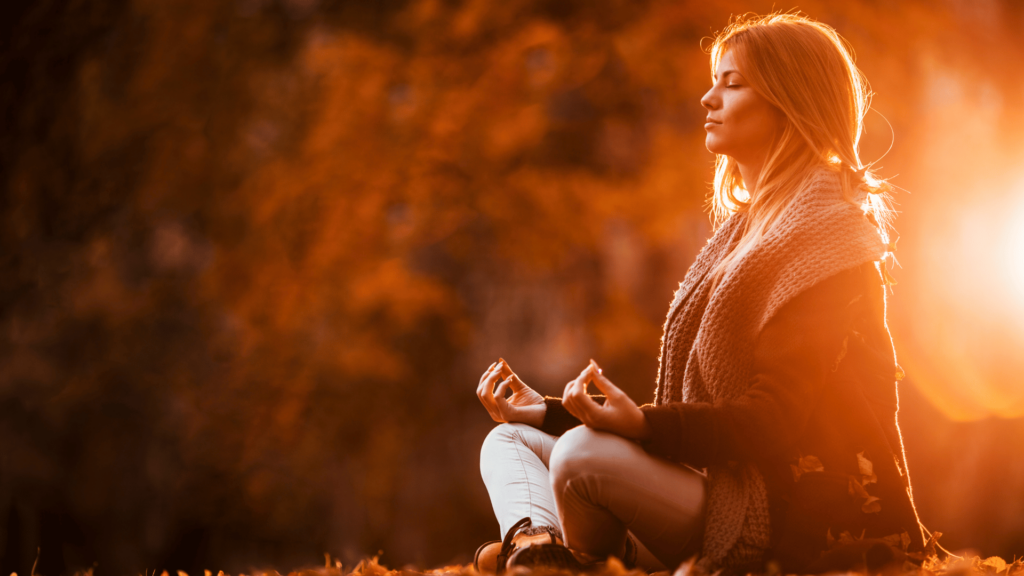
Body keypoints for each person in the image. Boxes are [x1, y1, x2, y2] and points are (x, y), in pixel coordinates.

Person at [474, 11, 930, 576]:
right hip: (711, 493)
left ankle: (570, 565)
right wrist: (549, 411)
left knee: (578, 457)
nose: (707, 99)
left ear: (792, 101)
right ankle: (537, 552)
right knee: (512, 439)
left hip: (783, 518)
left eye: (732, 83)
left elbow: (773, 424)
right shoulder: (745, 233)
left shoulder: (828, 239)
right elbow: (696, 422)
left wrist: (640, 425)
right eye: (714, 80)